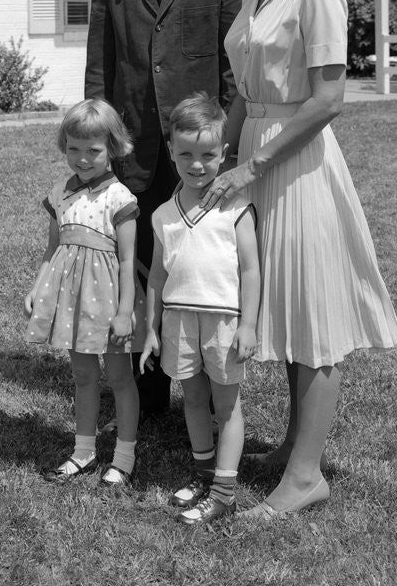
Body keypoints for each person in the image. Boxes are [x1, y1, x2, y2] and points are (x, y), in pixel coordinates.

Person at [200, 0, 397, 518]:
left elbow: (327, 100)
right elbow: (245, 92)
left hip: (301, 160)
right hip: (257, 152)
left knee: (312, 316)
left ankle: (307, 476)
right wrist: (223, 154)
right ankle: (294, 443)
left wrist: (254, 164)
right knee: (283, 305)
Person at [85, 0, 249, 417]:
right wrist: (101, 146)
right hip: (135, 150)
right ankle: (147, 398)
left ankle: (208, 392)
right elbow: (100, 68)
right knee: (139, 266)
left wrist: (223, 144)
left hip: (196, 150)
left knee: (199, 268)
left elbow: (234, 65)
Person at [139, 92, 260, 525]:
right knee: (192, 398)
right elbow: (156, 276)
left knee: (226, 406)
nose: (196, 164)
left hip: (224, 322)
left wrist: (248, 325)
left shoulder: (236, 206)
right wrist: (151, 328)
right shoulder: (162, 215)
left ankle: (224, 493)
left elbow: (250, 269)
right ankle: (204, 471)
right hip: (179, 320)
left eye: (207, 154)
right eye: (185, 153)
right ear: (170, 151)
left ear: (223, 154)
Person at [25, 98, 144, 488]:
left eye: (92, 150)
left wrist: (125, 312)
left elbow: (127, 262)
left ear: (112, 148)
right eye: (73, 148)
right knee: (82, 374)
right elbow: (52, 248)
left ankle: (123, 457)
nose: (82, 158)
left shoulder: (120, 199)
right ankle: (84, 450)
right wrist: (37, 286)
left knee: (120, 377)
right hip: (72, 301)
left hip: (109, 304)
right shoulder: (61, 193)